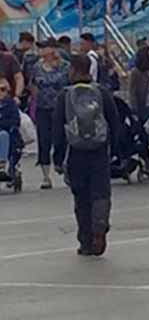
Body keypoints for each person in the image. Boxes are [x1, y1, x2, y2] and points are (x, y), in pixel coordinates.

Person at [53, 54, 121, 256]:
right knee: (100, 193)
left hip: (75, 152)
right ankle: (100, 228)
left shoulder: (64, 96)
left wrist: (57, 158)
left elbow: (58, 130)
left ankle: (85, 240)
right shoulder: (102, 92)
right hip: (99, 151)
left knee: (81, 197)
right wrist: (115, 150)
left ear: (73, 69)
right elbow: (114, 123)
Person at [29, 39, 69, 189]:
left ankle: (62, 165)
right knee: (44, 140)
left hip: (60, 107)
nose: (41, 51)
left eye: (44, 48)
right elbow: (33, 85)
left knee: (61, 138)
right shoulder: (37, 67)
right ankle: (46, 176)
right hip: (43, 108)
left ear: (53, 49)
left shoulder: (65, 66)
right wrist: (35, 101)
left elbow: (67, 84)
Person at [0, 77, 21, 180]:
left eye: (3, 89)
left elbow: (15, 120)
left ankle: (2, 165)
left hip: (6, 132)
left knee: (3, 135)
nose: (0, 92)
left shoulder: (10, 104)